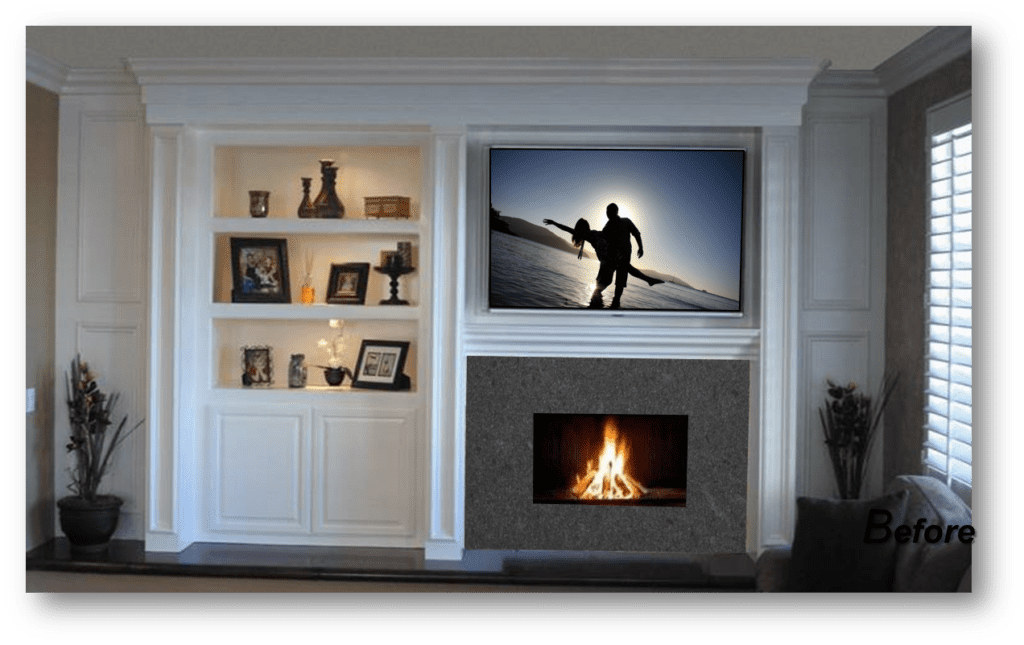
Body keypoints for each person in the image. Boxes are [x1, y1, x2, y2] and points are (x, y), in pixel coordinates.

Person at [544, 204, 662, 308]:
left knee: (613, 282)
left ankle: (605, 307)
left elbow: (636, 233)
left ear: (615, 211)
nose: (607, 213)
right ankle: (647, 280)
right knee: (621, 272)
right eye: (606, 211)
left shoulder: (618, 224)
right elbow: (573, 231)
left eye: (609, 211)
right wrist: (555, 223)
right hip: (611, 260)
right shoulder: (601, 230)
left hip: (613, 259)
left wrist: (640, 247)